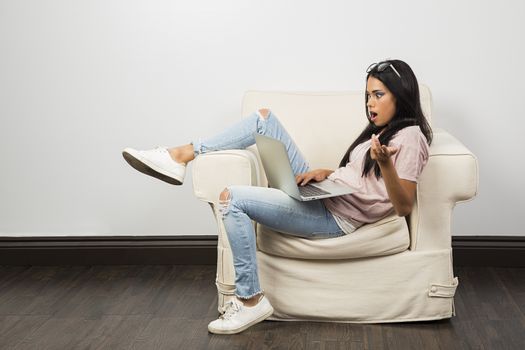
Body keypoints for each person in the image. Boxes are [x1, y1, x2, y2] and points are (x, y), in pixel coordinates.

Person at [122, 59, 432, 335]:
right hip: (327, 194)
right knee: (264, 118)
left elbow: (403, 204)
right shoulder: (383, 131)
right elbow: (363, 179)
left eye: (378, 95)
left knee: (232, 199)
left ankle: (250, 300)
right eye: (367, 95)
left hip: (335, 217)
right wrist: (328, 173)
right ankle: (179, 156)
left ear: (401, 94)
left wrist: (386, 164)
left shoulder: (411, 136)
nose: (370, 103)